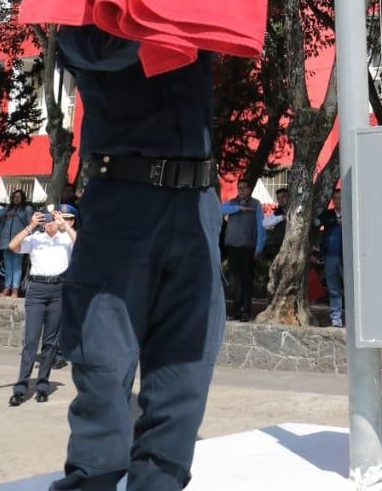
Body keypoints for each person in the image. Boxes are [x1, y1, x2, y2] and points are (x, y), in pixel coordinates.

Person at [48, 25, 224, 491]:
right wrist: (156, 11)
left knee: (186, 372)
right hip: (124, 200)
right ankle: (93, 481)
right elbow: (99, 51)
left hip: (199, 202)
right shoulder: (86, 3)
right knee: (105, 371)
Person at [8, 204, 76, 404]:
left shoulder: (66, 240)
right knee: (30, 341)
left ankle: (43, 386)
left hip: (59, 289)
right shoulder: (35, 238)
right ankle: (21, 387)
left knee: (50, 342)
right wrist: (30, 226)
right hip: (37, 289)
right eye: (45, 220)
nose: (48, 224)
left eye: (51, 220)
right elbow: (13, 246)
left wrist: (65, 224)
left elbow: (83, 245)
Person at [221, 178, 266, 321]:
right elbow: (220, 209)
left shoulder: (256, 204)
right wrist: (238, 209)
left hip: (248, 248)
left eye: (244, 188)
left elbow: (261, 227)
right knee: (235, 282)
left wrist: (259, 248)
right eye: (239, 188)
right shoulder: (232, 203)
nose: (241, 191)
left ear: (249, 189)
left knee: (247, 280)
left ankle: (246, 311)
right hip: (233, 247)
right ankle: (236, 311)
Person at [0, 189, 34, 297]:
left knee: (17, 266)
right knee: (7, 266)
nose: (16, 199)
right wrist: (6, 213)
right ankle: (6, 287)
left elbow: (31, 224)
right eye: (14, 197)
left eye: (18, 197)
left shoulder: (27, 209)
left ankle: (15, 289)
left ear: (23, 198)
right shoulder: (8, 208)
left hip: (19, 242)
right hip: (6, 241)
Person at [318, 201, 344, 328]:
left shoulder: (351, 211)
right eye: (335, 198)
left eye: (340, 197)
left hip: (347, 257)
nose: (338, 200)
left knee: (352, 288)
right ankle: (336, 318)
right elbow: (317, 222)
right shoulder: (328, 214)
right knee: (333, 289)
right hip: (330, 256)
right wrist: (335, 221)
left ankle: (355, 317)